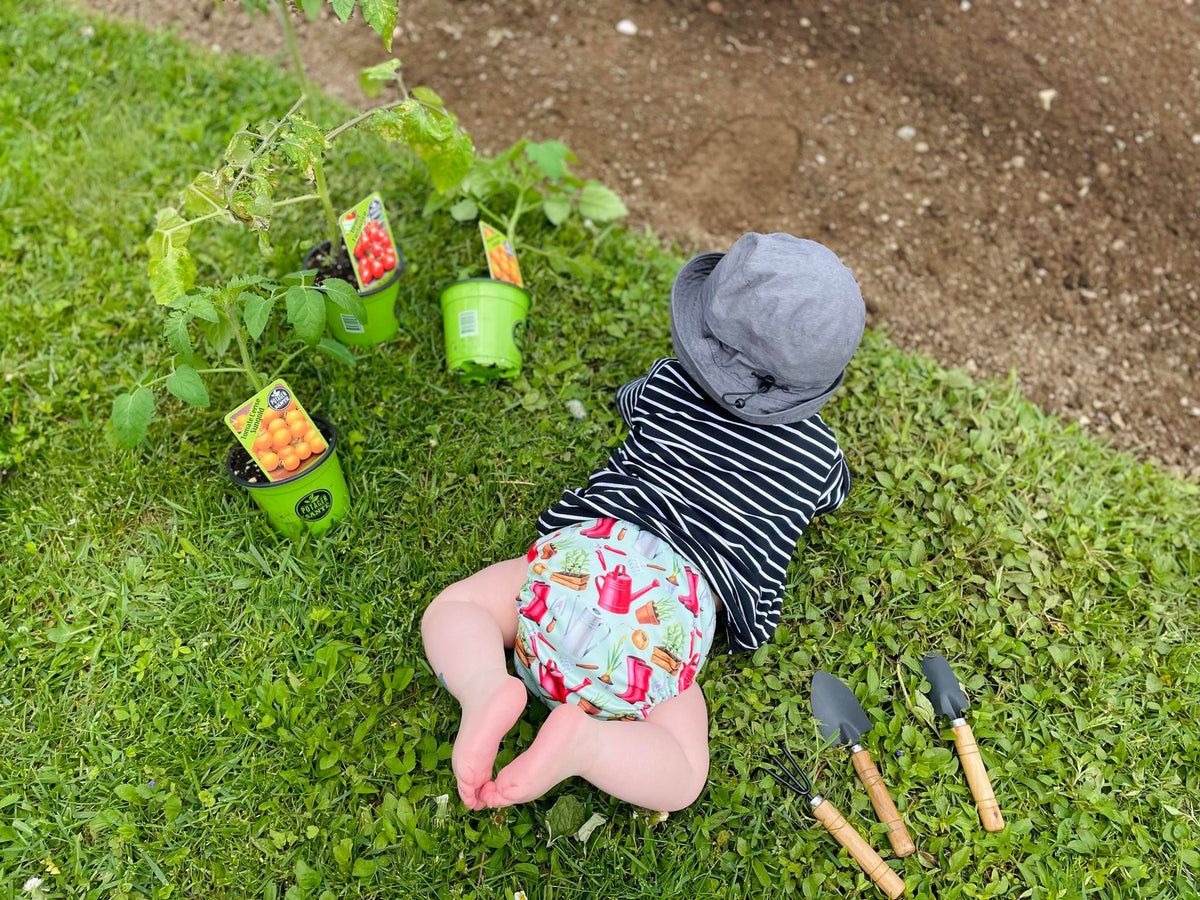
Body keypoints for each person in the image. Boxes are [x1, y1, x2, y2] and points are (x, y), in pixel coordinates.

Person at [422, 232, 866, 812]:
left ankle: (484, 686)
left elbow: (629, 404)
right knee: (682, 774)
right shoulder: (815, 460)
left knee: (460, 608)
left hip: (586, 556)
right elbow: (834, 493)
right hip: (668, 625)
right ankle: (588, 744)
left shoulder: (663, 384)